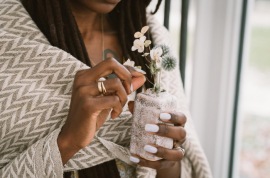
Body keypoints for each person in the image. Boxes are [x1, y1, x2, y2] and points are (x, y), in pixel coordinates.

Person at [0, 0, 212, 177]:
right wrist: (67, 143)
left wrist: (165, 164)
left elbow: (181, 168)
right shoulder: (7, 29)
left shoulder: (150, 38)